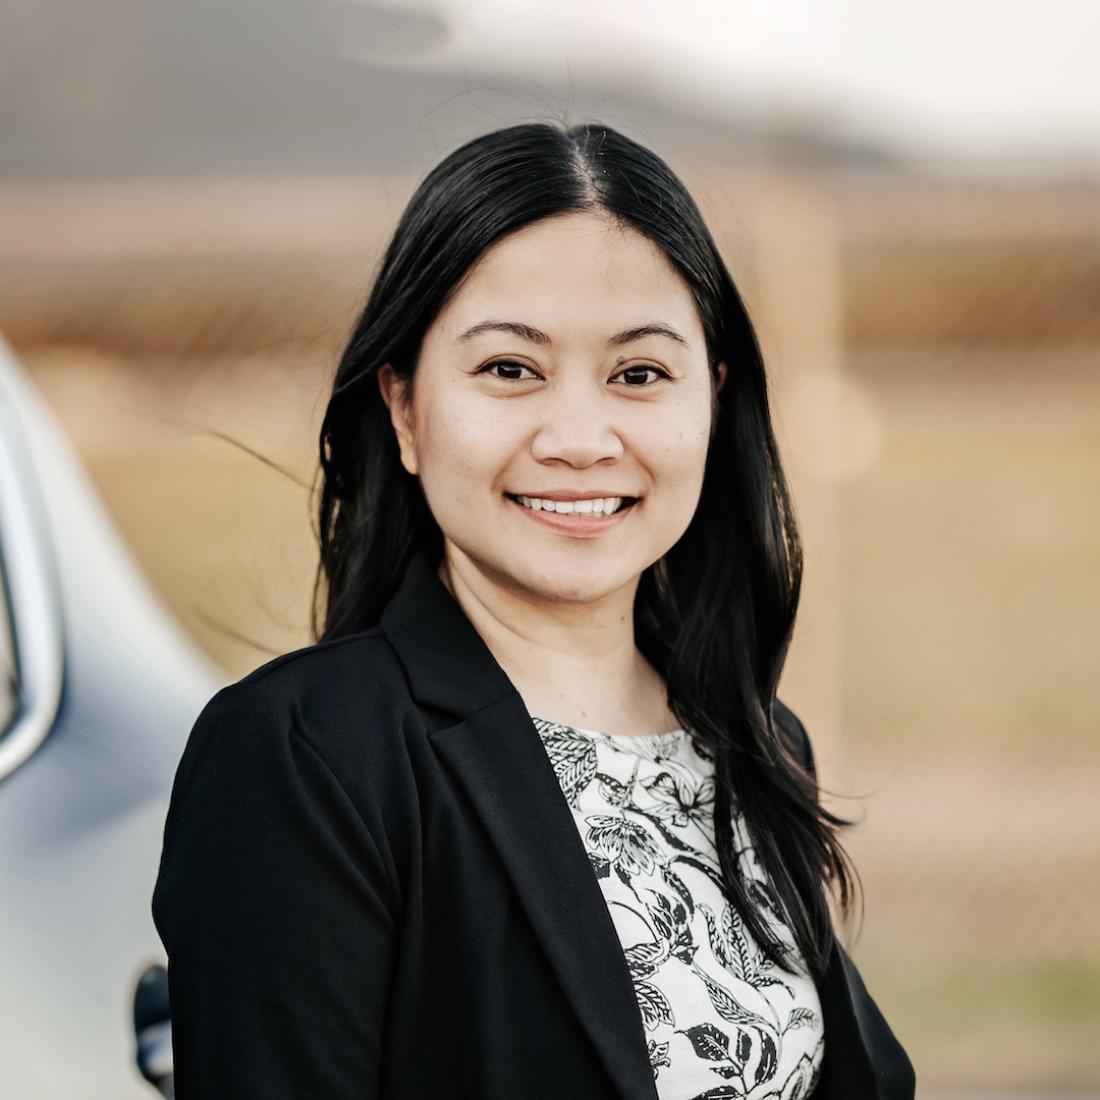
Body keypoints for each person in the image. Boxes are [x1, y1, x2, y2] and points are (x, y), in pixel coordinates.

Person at [152, 120, 915, 1099]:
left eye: (637, 373)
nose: (579, 437)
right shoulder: (306, 755)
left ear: (711, 405)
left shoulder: (755, 742)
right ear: (403, 408)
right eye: (509, 369)